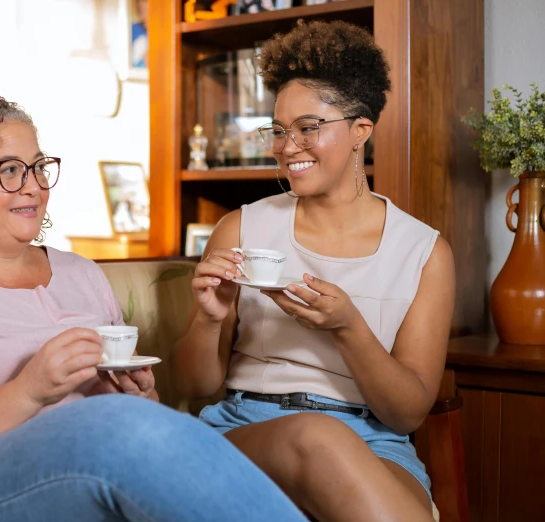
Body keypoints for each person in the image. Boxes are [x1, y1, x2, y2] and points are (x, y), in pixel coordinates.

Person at [0, 91, 308, 522]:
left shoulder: (83, 274)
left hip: (88, 478)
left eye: (39, 168)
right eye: (10, 170)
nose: (33, 187)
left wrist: (139, 396)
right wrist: (27, 392)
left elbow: (135, 420)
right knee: (120, 428)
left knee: (161, 426)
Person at [172, 20, 455, 522]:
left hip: (374, 439)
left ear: (360, 131)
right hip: (245, 426)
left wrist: (349, 329)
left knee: (341, 452)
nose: (286, 146)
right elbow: (194, 385)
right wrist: (210, 318)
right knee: (315, 434)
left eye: (308, 127)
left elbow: (408, 413)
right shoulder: (240, 227)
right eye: (279, 130)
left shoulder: (424, 252)